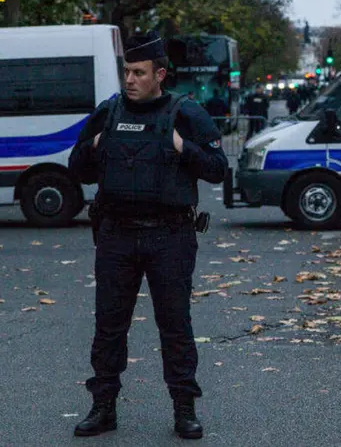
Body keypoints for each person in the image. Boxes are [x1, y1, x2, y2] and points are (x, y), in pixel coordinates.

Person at [68, 30, 228, 440]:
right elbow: (78, 169)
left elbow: (218, 168)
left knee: (175, 325)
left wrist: (182, 148)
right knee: (109, 325)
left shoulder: (185, 113)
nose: (129, 80)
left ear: (160, 74)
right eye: (126, 72)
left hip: (169, 236)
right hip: (117, 234)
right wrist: (94, 147)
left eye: (138, 73)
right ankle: (103, 407)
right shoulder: (110, 111)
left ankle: (184, 409)